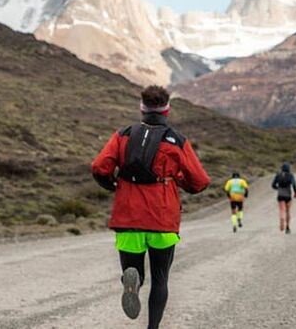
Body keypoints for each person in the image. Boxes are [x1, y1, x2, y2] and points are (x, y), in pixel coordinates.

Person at [90, 85, 210, 329]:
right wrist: (177, 181)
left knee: (133, 270)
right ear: (167, 110)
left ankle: (132, 281)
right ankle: (152, 328)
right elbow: (200, 182)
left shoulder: (123, 135)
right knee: (161, 279)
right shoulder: (177, 140)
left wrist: (113, 185)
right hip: (162, 218)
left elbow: (99, 167)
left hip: (128, 216)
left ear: (142, 108)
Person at [271, 163, 296, 234]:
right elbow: (294, 184)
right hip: (288, 195)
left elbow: (273, 185)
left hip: (280, 195)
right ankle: (287, 227)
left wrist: (278, 188)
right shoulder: (291, 175)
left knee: (282, 210)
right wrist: (295, 192)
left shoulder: (278, 175)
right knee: (288, 211)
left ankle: (282, 219)